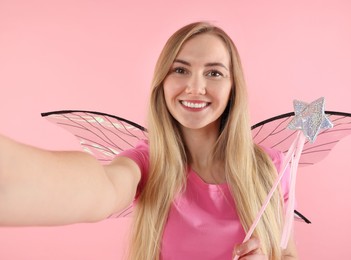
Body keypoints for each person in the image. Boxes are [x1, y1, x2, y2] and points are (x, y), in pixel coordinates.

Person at [0, 22, 298, 259]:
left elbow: (286, 253)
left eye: (214, 73)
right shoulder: (146, 163)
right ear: (162, 82)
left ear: (234, 88)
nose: (195, 87)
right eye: (180, 70)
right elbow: (104, 188)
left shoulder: (272, 169)